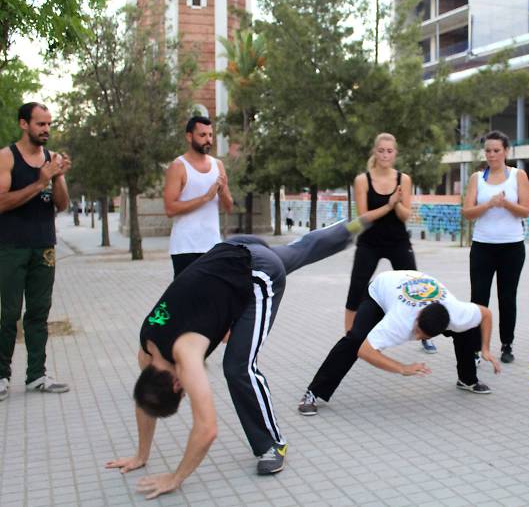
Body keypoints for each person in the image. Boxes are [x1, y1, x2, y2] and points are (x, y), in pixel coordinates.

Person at [105, 214, 376, 499]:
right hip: (232, 250)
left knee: (238, 367)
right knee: (302, 250)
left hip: (258, 273)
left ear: (175, 384)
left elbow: (207, 429)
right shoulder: (147, 345)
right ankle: (356, 224)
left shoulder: (185, 355)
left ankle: (272, 444)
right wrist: (140, 455)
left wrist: (176, 477)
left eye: (182, 392)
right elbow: (144, 401)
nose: (186, 388)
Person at [298, 270, 501, 416]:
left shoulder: (457, 312)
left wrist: (485, 349)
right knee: (356, 339)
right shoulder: (400, 320)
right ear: (418, 315)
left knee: (465, 329)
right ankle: (313, 393)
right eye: (417, 330)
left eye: (423, 337)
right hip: (381, 289)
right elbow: (366, 351)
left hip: (420, 286)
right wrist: (401, 368)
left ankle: (467, 379)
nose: (417, 336)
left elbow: (486, 314)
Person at [0, 102, 72, 402]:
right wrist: (39, 181)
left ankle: (36, 375)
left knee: (39, 312)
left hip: (44, 246)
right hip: (11, 247)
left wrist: (55, 177)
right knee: (9, 313)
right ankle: (2, 376)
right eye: (40, 124)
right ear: (23, 124)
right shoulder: (7, 157)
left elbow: (63, 204)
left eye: (48, 124)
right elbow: (2, 202)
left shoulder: (52, 159)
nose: (45, 130)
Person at [344, 133, 436, 353]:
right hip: (370, 242)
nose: (385, 154)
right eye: (381, 150)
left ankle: (425, 334)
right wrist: (388, 204)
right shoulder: (362, 180)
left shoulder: (403, 179)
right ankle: (349, 337)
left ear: (395, 153)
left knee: (415, 287)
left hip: (397, 241)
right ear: (375, 152)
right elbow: (363, 218)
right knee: (357, 287)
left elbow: (405, 216)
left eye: (389, 151)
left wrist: (396, 204)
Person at [462, 131, 529, 364]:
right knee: (479, 298)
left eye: (496, 150)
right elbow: (467, 213)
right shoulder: (477, 178)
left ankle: (507, 345)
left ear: (506, 152)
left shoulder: (517, 176)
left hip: (512, 247)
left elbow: (525, 210)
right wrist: (489, 204)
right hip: (482, 246)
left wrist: (505, 203)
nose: (492, 155)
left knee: (507, 297)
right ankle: (476, 348)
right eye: (488, 151)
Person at [164, 116, 233, 278]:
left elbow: (229, 207)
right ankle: (164, 306)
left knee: (212, 298)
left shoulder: (218, 165)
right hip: (185, 247)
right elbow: (169, 209)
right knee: (186, 300)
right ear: (189, 136)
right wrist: (205, 198)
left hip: (212, 245)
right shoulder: (178, 166)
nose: (208, 140)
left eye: (210, 135)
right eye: (202, 135)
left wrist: (222, 191)